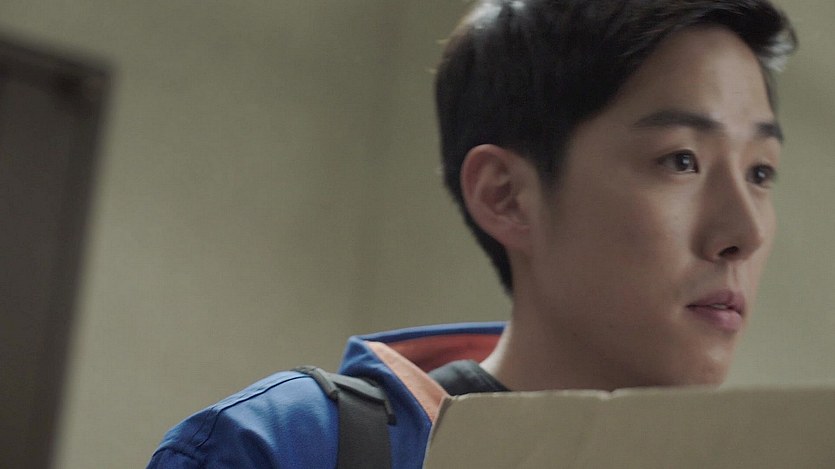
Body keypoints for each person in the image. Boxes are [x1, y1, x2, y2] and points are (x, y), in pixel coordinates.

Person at [147, 1, 796, 467]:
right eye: (680, 160)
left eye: (760, 171)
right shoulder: (285, 447)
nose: (743, 232)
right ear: (505, 195)